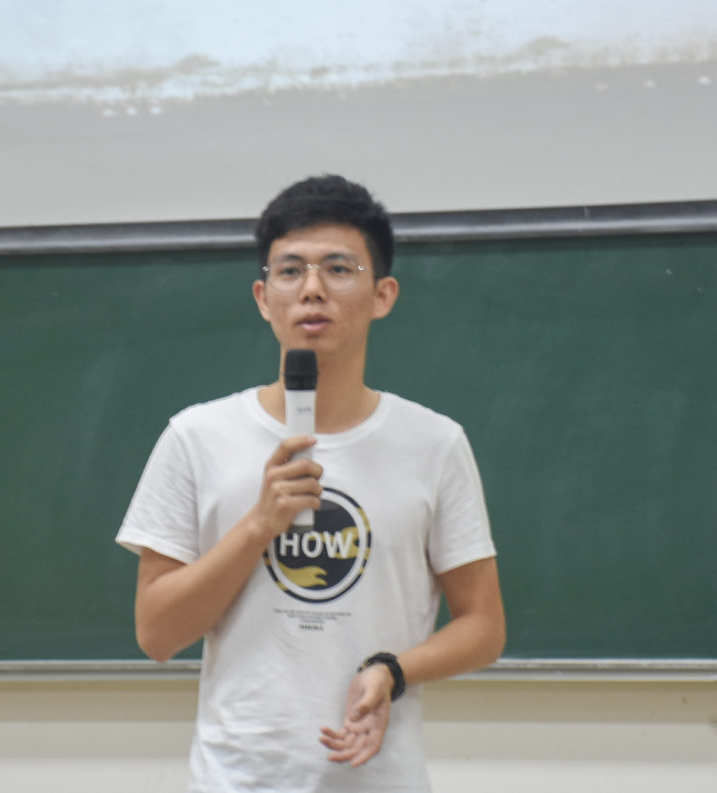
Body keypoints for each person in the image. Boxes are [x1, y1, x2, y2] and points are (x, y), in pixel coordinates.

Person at [116, 174, 505, 792]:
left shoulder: (434, 443)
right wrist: (258, 526)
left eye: (339, 269)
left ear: (383, 295)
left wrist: (392, 670)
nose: (312, 289)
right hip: (238, 780)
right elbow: (157, 634)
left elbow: (484, 627)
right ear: (262, 296)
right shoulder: (197, 437)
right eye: (290, 270)